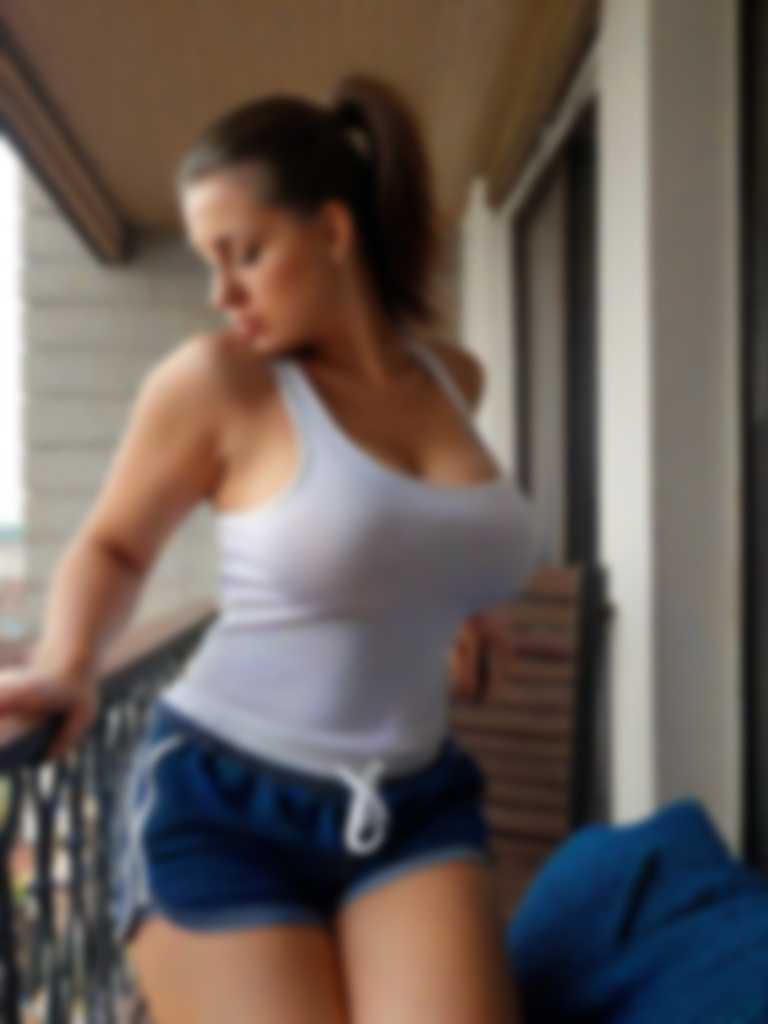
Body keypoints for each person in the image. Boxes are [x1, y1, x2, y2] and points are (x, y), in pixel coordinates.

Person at [0, 72, 547, 1022]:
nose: (223, 295)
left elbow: (417, 534)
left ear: (333, 230)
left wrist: (461, 606)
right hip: (222, 800)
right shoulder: (219, 382)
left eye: (244, 254)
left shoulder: (456, 378)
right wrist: (69, 660)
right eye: (210, 263)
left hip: (414, 800)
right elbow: (115, 544)